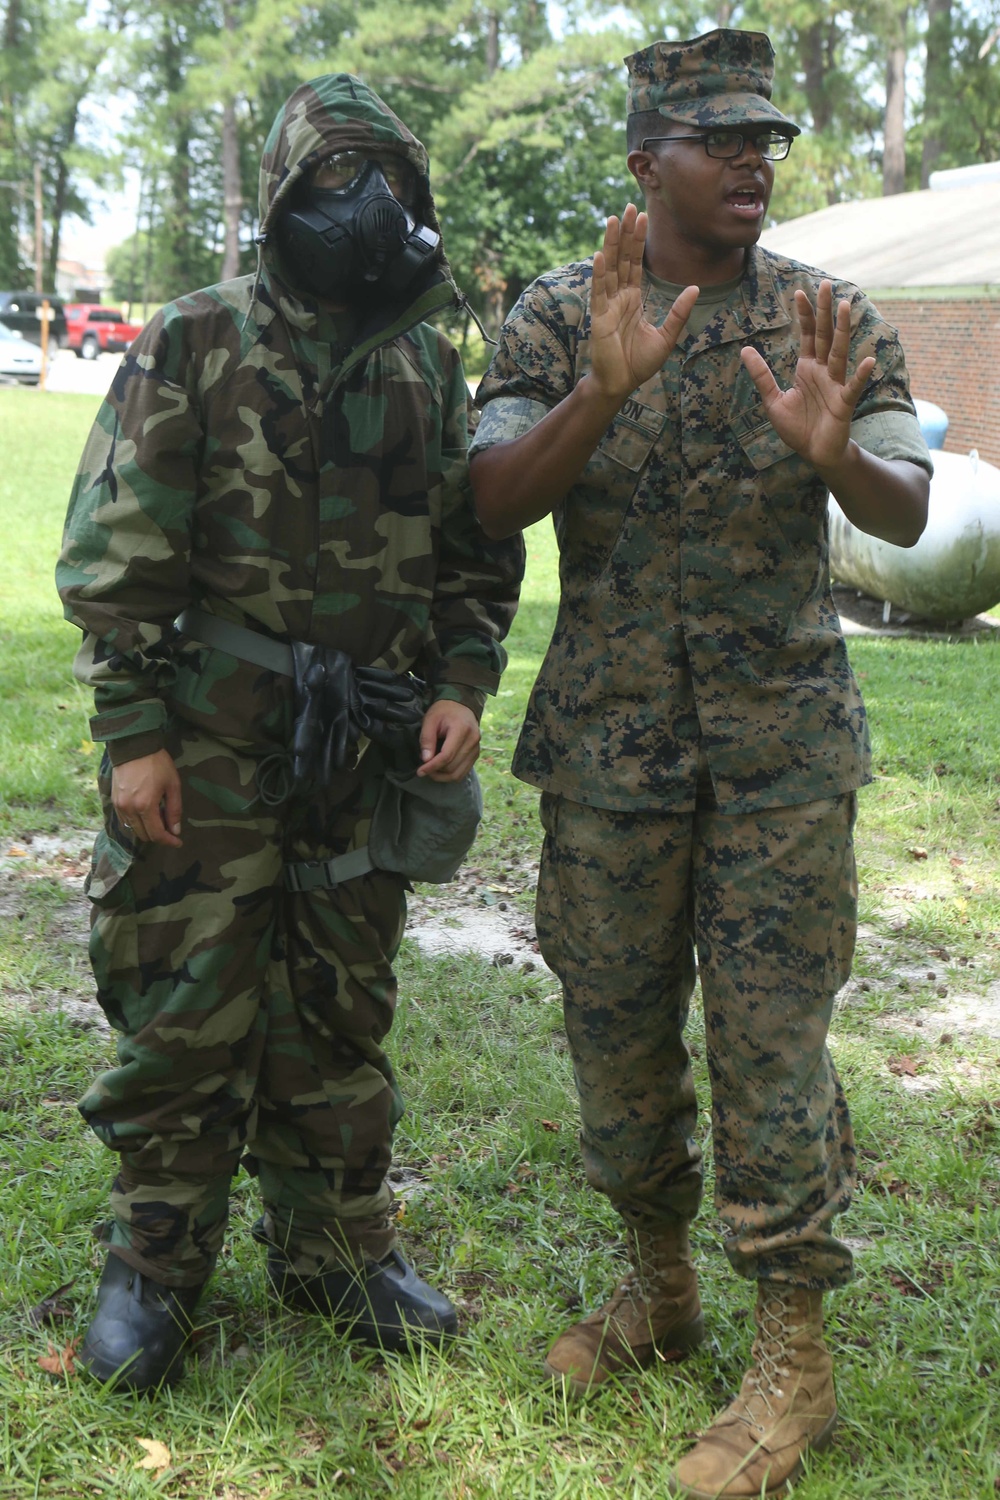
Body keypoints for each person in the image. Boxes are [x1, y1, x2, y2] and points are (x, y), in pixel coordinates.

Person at [469, 28, 930, 1500]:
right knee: (614, 1038)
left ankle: (792, 1356)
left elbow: (911, 506)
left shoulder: (827, 315)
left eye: (767, 137)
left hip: (783, 752)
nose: (754, 161)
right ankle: (657, 1287)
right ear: (642, 159)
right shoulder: (559, 314)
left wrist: (836, 457)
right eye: (719, 138)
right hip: (610, 750)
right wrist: (599, 394)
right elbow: (489, 501)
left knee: (772, 1044)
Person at [56, 73, 523, 1393]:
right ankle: (154, 1264)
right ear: (277, 197)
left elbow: (478, 551)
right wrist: (134, 728)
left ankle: (334, 1252)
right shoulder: (198, 339)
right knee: (188, 999)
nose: (360, 205)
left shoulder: (431, 359)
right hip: (207, 738)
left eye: (382, 177)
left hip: (364, 742)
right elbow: (118, 545)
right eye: (330, 178)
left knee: (339, 997)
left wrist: (463, 685)